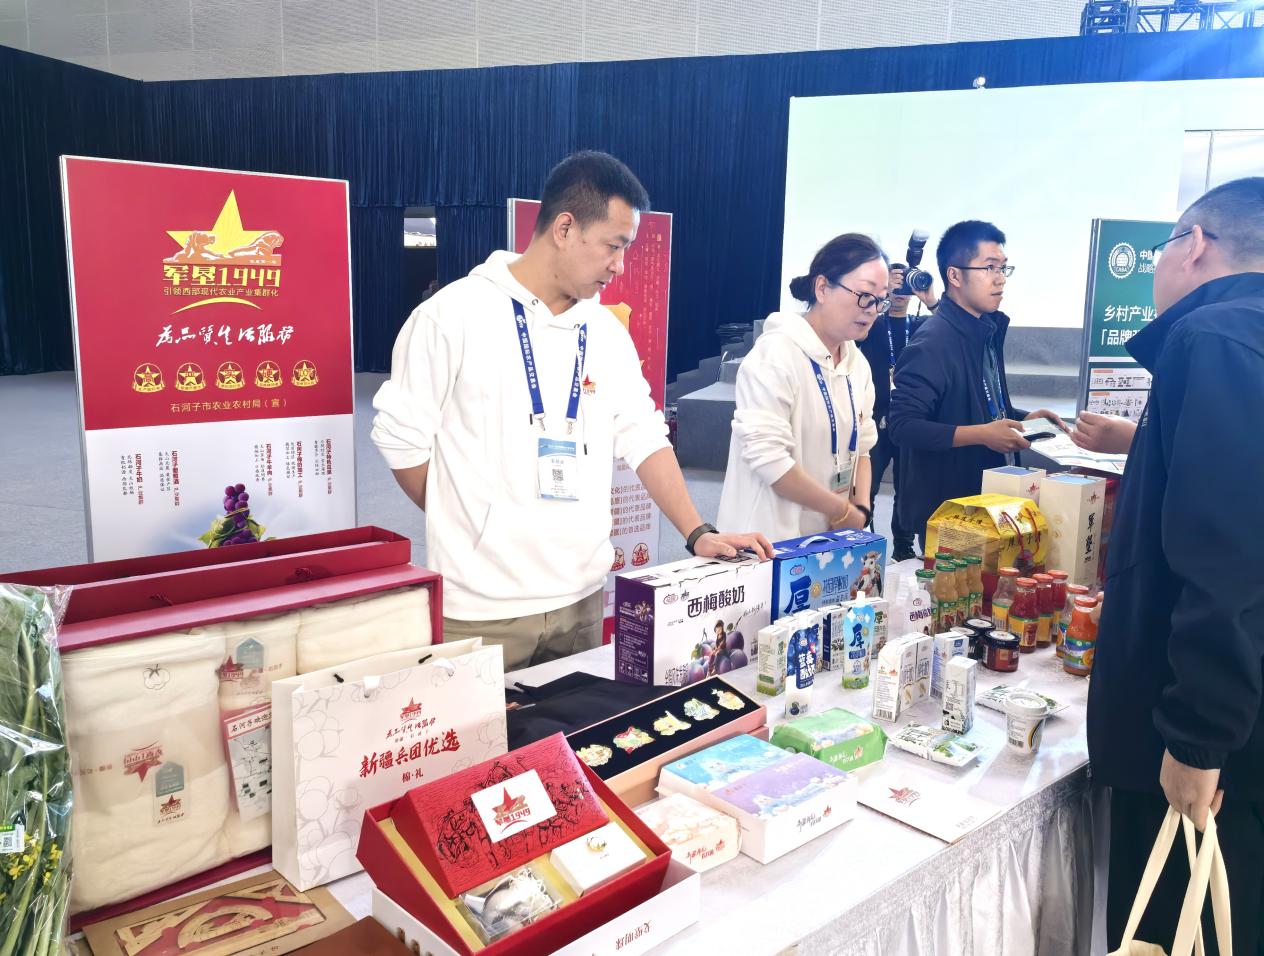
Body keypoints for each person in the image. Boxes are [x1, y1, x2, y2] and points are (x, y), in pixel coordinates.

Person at [371, 151, 771, 670]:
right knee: (487, 726)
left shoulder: (604, 332)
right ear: (564, 228)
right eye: (614, 245)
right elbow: (401, 442)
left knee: (577, 722)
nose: (619, 265)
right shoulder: (451, 316)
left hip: (581, 597)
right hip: (482, 607)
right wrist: (470, 524)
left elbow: (645, 435)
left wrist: (697, 532)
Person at [1088, 177, 1264, 953]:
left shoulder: (1215, 337)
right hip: (1242, 716)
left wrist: (1198, 736)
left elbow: (1229, 552)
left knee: (1183, 925)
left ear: (1193, 245)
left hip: (1207, 740)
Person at [887, 220, 1066, 549]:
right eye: (989, 267)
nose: (1000, 278)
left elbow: (977, 404)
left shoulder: (983, 330)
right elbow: (903, 426)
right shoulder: (933, 342)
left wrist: (1023, 418)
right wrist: (982, 434)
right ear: (955, 276)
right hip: (951, 515)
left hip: (987, 504)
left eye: (1003, 268)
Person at [716, 234, 884, 543]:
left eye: (879, 299)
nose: (872, 309)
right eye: (864, 295)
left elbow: (863, 448)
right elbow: (769, 458)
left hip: (829, 538)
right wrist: (841, 510)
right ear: (822, 288)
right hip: (768, 541)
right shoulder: (775, 355)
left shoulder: (857, 364)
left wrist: (860, 507)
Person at [857, 262, 937, 561]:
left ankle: (903, 546)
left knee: (908, 489)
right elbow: (856, 332)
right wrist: (882, 295)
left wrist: (930, 299)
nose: (901, 293)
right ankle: (862, 541)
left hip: (911, 420)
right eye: (895, 286)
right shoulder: (873, 325)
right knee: (868, 485)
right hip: (875, 418)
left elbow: (954, 329)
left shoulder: (922, 326)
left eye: (906, 287)